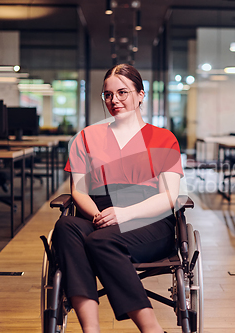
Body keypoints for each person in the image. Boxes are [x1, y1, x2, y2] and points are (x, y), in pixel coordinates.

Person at [52, 64, 183, 333]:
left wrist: (124, 214)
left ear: (140, 95)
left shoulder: (163, 138)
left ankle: (152, 329)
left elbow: (169, 196)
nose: (115, 100)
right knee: (66, 227)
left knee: (101, 239)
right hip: (98, 213)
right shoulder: (86, 137)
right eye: (108, 95)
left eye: (122, 92)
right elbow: (78, 190)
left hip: (149, 219)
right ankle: (92, 329)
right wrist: (100, 216)